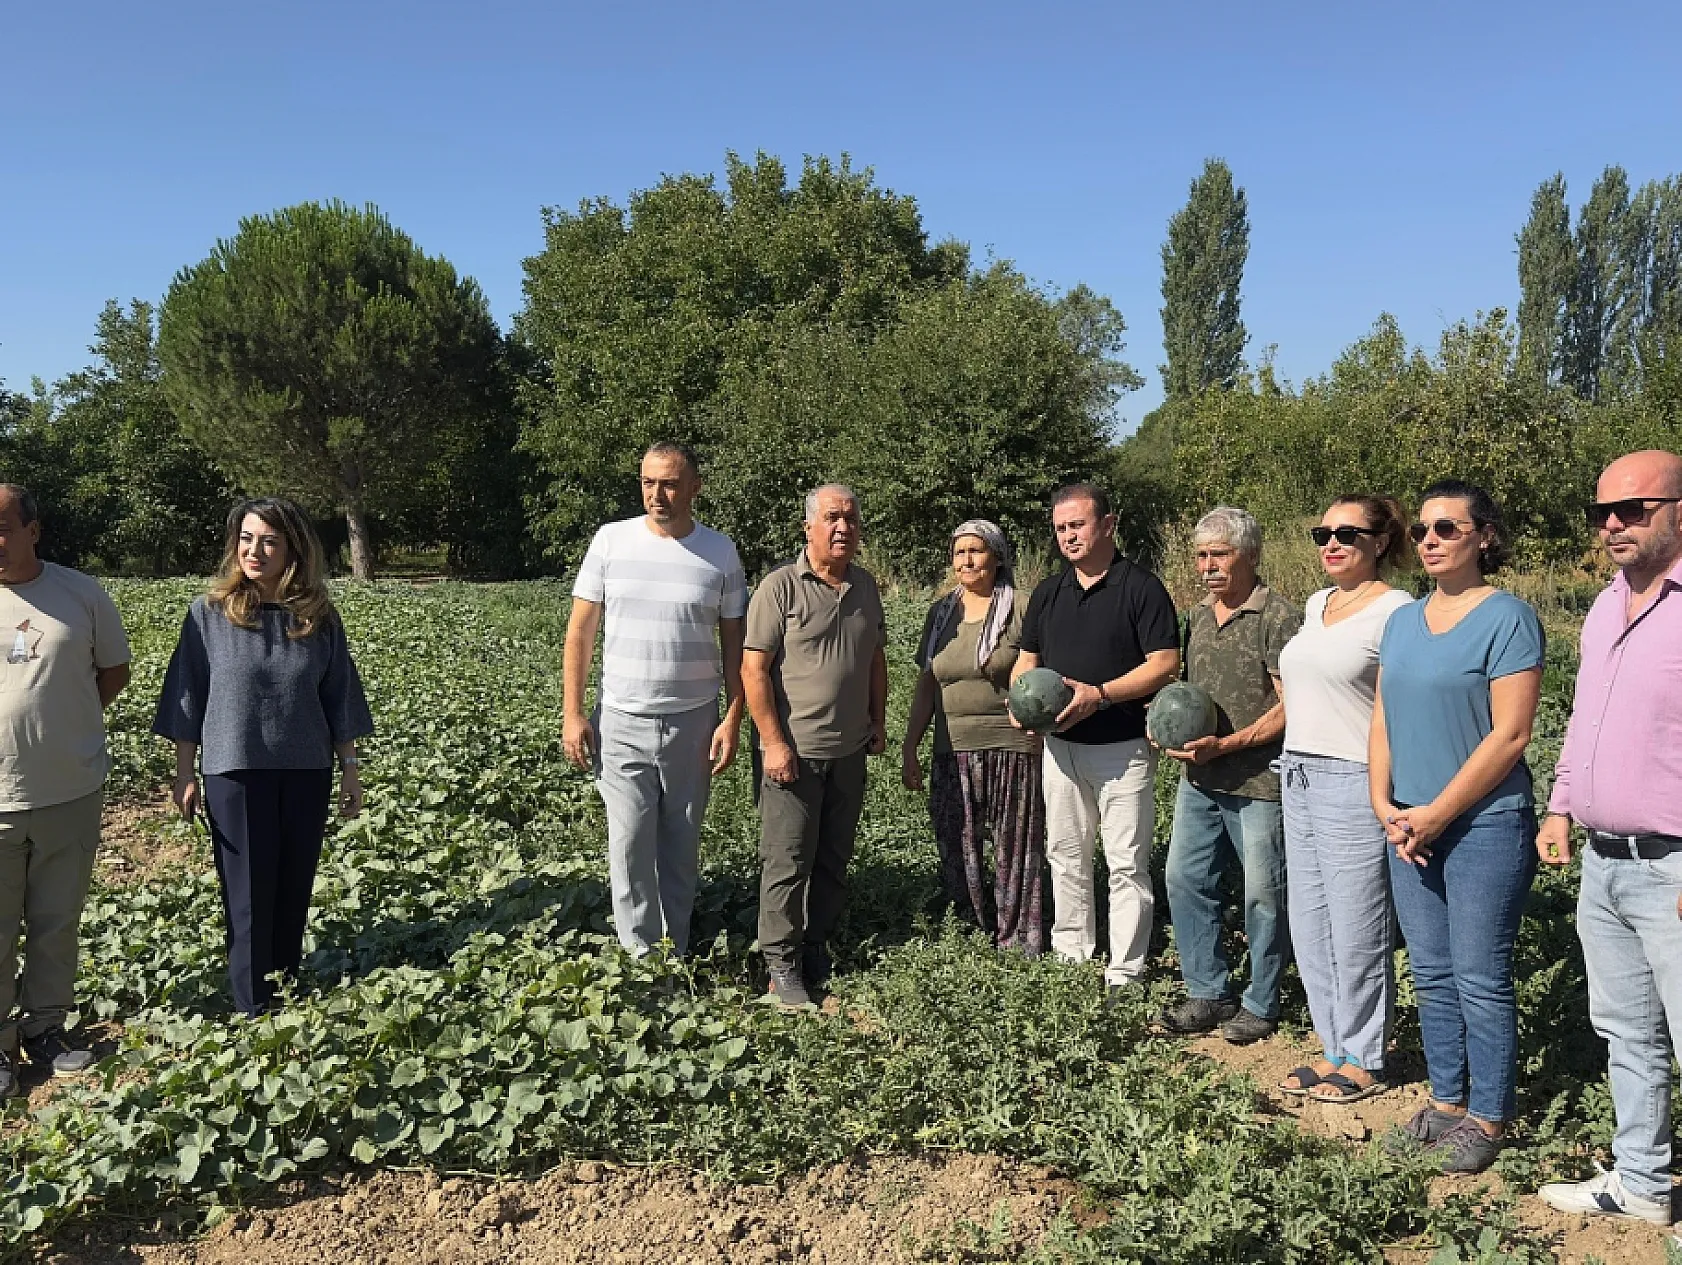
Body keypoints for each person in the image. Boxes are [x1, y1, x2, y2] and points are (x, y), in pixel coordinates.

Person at [1370, 479, 1544, 1174]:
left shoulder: (1508, 618)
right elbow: (1383, 717)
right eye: (1422, 530)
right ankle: (1446, 1100)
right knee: (1433, 972)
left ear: (1484, 537)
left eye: (1447, 528)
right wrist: (1382, 801)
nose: (1430, 540)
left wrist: (1436, 814)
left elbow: (1512, 734)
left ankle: (1489, 1114)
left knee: (1479, 974)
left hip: (1483, 826)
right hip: (1408, 825)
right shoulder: (1403, 620)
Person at [154, 498, 373, 1018]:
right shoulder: (208, 614)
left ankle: (287, 987)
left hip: (306, 769)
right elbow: (188, 694)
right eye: (247, 538)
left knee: (293, 884)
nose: (255, 550)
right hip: (234, 767)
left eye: (269, 540)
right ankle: (253, 1005)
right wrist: (184, 772)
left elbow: (338, 694)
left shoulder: (316, 616)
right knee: (249, 893)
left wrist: (350, 770)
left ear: (292, 549)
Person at [1537, 450, 1682, 1224]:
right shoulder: (1602, 607)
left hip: (1674, 864)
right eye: (1602, 513)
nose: (1614, 524)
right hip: (1605, 859)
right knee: (1626, 1031)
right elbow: (1585, 721)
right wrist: (1561, 803)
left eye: (1633, 508)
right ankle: (1644, 1183)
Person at [562, 442, 747, 958]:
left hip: (693, 722)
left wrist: (734, 716)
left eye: (668, 483)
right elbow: (580, 630)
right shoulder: (610, 542)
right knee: (628, 847)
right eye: (647, 482)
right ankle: (643, 964)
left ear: (694, 487)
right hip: (620, 720)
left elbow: (737, 642)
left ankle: (676, 954)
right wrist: (573, 712)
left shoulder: (720, 552)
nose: (656, 494)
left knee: (680, 848)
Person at [1012, 484, 1180, 1006]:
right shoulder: (1048, 592)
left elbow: (1164, 664)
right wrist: (1021, 700)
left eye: (1078, 525)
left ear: (1108, 524)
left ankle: (1125, 972)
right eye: (1061, 528)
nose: (1068, 536)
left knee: (1126, 861)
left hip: (1122, 747)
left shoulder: (1142, 588)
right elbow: (1027, 658)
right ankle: (1072, 954)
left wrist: (1101, 695)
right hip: (1060, 749)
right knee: (1065, 853)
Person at [1275, 496, 1412, 1100]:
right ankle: (1333, 1046)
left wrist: (1384, 792)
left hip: (1354, 778)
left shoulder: (1396, 611)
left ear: (1379, 542)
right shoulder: (1316, 603)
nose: (1331, 543)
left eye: (1346, 534)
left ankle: (1365, 1057)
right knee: (1310, 924)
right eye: (1321, 532)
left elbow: (1394, 710)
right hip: (1297, 774)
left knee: (1358, 927)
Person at [0, 485, 130, 1098]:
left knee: (55, 921)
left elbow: (115, 671)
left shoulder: (81, 593)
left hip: (70, 791)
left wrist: (64, 728)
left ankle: (46, 1028)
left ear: (33, 530)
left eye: (2, 528)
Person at [1159, 508, 1302, 1044]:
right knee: (1186, 879)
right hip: (1200, 781)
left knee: (1264, 894)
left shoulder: (1278, 618)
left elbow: (1292, 705)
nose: (1208, 566)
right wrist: (1166, 726)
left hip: (1259, 781)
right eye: (1201, 555)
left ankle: (1262, 1001)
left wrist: (1230, 744)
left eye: (1220, 554)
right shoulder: (1196, 617)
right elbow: (1188, 694)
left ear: (1251, 555)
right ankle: (1207, 992)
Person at [743, 485, 887, 1010]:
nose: (843, 527)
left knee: (832, 857)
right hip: (793, 755)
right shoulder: (779, 587)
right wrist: (773, 742)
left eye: (850, 517)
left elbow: (874, 659)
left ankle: (815, 945)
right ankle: (780, 965)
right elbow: (753, 669)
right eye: (831, 518)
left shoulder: (867, 587)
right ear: (809, 528)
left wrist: (877, 721)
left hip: (848, 752)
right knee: (787, 860)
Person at [901, 519, 1046, 954]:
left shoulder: (1022, 607)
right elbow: (927, 684)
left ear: (997, 558)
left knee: (1015, 850)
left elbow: (1041, 674)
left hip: (1012, 747)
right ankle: (971, 934)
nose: (966, 559)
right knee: (956, 845)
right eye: (959, 551)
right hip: (953, 748)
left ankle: (1018, 942)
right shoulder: (942, 613)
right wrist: (911, 747)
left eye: (976, 550)